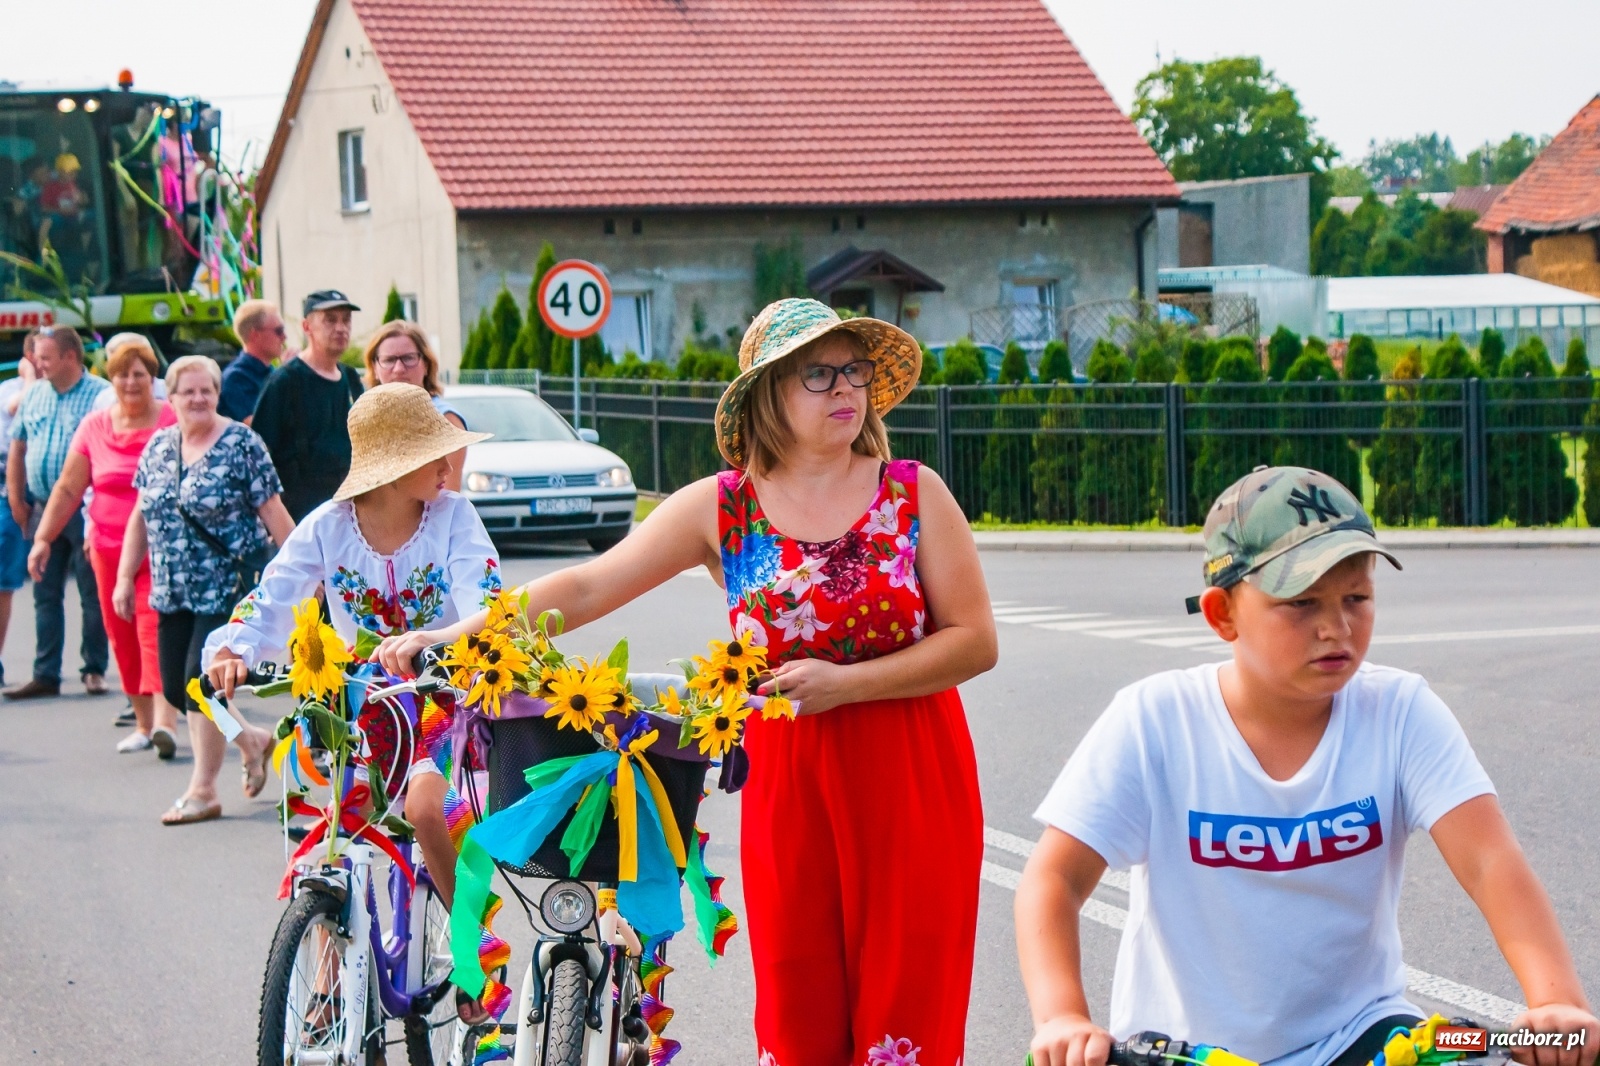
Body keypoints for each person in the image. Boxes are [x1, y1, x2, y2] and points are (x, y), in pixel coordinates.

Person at [378, 298, 998, 1064]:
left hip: (911, 771)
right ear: (769, 392)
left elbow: (974, 643)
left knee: (908, 1012)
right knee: (799, 1012)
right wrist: (454, 635)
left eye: (855, 371)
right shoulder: (723, 505)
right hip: (790, 780)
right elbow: (585, 588)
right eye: (820, 373)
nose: (846, 388)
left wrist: (847, 685)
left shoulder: (913, 492)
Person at [1016, 467, 1599, 1066]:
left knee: (1483, 1051)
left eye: (1357, 598)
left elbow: (1488, 861)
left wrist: (1557, 1002)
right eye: (1301, 603)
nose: (1336, 627)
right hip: (1190, 1050)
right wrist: (1062, 1016)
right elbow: (1052, 881)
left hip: (1363, 1037)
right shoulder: (1156, 720)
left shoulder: (1399, 711)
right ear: (1223, 615)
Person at [204, 382, 498, 897]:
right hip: (365, 706)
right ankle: (330, 943)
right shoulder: (327, 526)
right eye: (434, 456)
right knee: (338, 831)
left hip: (442, 694)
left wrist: (442, 642)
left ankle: (470, 948)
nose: (449, 467)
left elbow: (488, 608)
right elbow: (272, 597)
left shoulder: (455, 515)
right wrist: (233, 648)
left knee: (426, 809)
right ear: (396, 467)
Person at [119, 355, 294, 824]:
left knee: (202, 684)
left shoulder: (241, 443)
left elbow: (274, 513)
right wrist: (123, 575)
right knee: (178, 690)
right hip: (173, 588)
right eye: (188, 391)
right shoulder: (158, 446)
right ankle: (251, 740)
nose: (198, 399)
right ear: (170, 397)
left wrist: (303, 575)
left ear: (218, 394)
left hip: (228, 586)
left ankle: (203, 789)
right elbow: (141, 513)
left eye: (207, 390)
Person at [27, 336, 176, 753]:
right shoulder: (94, 427)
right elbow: (69, 486)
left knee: (152, 631)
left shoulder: (169, 421)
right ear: (110, 380)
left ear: (152, 379)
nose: (131, 382)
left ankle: (167, 723)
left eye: (139, 375)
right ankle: (144, 725)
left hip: (161, 549)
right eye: (122, 375)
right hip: (106, 549)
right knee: (121, 634)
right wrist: (43, 539)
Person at [4, 325, 110, 699]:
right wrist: (17, 499)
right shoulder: (34, 397)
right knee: (44, 592)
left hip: (84, 507)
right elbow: (17, 448)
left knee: (90, 591)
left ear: (70, 356)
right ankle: (45, 672)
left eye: (45, 357)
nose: (38, 364)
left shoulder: (100, 396)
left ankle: (93, 669)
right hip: (43, 505)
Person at [250, 290, 364, 521]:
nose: (341, 328)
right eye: (330, 320)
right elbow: (257, 456)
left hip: (351, 514)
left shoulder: (351, 379)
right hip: (301, 518)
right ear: (306, 327)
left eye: (346, 319)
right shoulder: (284, 382)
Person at [362, 319, 467, 490]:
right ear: (375, 367)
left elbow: (447, 501)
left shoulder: (445, 420)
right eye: (388, 360)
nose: (398, 369)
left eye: (408, 358)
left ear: (426, 364)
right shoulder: (365, 419)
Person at [0, 335, 39, 689]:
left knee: (5, 585)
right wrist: (29, 379)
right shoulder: (12, 389)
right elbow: (17, 409)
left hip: (42, 492)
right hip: (5, 489)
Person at [220, 299, 289, 422]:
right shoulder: (237, 377)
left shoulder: (270, 372)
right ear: (255, 335)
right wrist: (289, 373)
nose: (284, 337)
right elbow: (257, 425)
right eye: (279, 331)